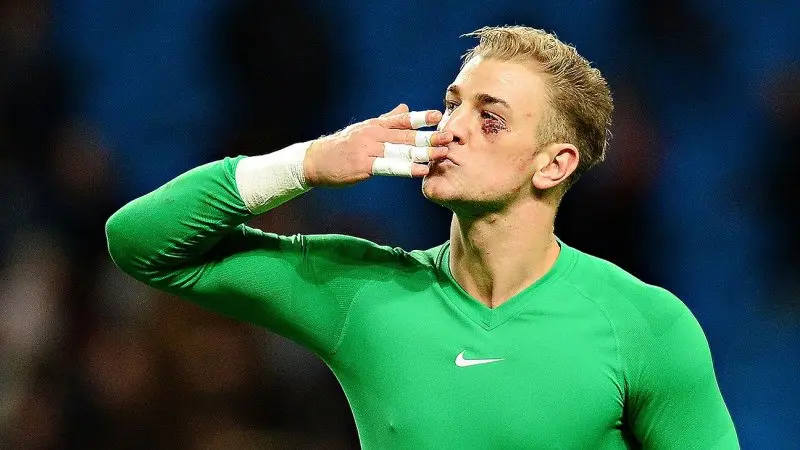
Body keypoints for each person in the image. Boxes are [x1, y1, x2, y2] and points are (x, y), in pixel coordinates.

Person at [106, 26, 739, 448]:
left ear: (554, 164)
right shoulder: (361, 291)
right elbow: (141, 243)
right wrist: (305, 164)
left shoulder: (645, 325)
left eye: (490, 119)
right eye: (454, 103)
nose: (453, 127)